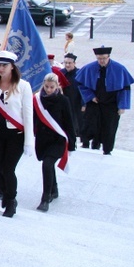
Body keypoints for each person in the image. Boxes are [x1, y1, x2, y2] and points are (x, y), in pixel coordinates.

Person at [0, 50, 34, 218]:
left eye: (4, 65)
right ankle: (2, 189)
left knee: (8, 169)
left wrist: (29, 141)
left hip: (16, 134)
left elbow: (28, 114)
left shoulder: (23, 86)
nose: (1, 68)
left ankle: (11, 200)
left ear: (12, 67)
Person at [76, 46, 134, 155]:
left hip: (111, 104)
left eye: (103, 58)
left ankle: (107, 150)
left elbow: (125, 88)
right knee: (90, 124)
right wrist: (90, 96)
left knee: (109, 127)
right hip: (95, 103)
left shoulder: (119, 69)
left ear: (108, 57)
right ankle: (88, 144)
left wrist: (122, 106)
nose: (101, 61)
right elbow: (80, 84)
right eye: (99, 58)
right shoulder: (89, 68)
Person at [33, 73, 75, 213]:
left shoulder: (63, 100)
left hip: (58, 140)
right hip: (43, 139)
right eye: (47, 87)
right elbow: (33, 118)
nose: (49, 90)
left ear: (57, 86)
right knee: (48, 165)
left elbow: (69, 122)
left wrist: (72, 143)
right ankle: (54, 189)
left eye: (52, 87)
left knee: (47, 164)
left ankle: (45, 198)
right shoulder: (38, 100)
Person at [61, 53, 84, 143]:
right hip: (64, 101)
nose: (67, 65)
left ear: (74, 63)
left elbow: (83, 89)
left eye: (69, 63)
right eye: (65, 63)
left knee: (78, 122)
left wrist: (84, 103)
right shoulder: (61, 73)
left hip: (76, 101)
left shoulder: (80, 73)